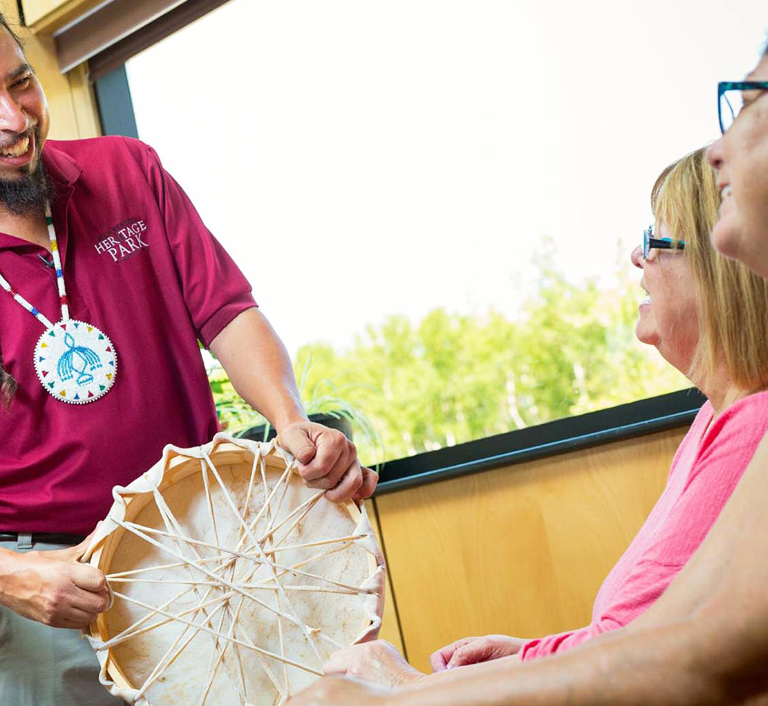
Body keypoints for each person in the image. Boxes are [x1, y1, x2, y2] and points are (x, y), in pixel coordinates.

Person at [0, 2, 376, 704]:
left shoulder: (128, 174)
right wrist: (6, 577)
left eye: (22, 83)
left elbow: (228, 311)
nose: (16, 118)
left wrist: (289, 420)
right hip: (40, 601)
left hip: (204, 553)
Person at [288, 45, 768, 706]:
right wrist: (527, 656)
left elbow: (691, 667)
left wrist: (402, 696)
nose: (721, 149)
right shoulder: (720, 422)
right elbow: (662, 638)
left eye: (752, 105)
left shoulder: (753, 421)